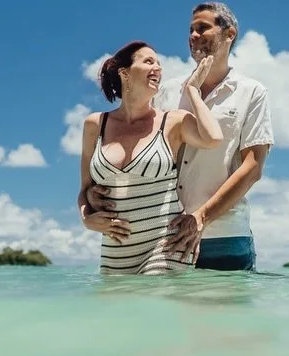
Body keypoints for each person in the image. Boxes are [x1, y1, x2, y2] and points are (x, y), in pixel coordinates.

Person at [88, 2, 274, 271]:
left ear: (229, 34)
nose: (194, 36)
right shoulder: (166, 92)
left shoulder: (253, 92)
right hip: (163, 236)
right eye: (191, 30)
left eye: (203, 28)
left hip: (225, 234)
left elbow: (253, 167)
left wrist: (201, 217)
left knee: (229, 314)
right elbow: (141, 152)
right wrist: (98, 195)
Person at [77, 40, 223, 275]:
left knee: (152, 302)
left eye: (159, 63)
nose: (158, 68)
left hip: (166, 246)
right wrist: (86, 218)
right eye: (148, 61)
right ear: (124, 73)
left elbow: (213, 137)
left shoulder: (172, 121)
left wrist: (192, 89)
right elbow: (85, 189)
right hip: (115, 252)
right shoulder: (95, 124)